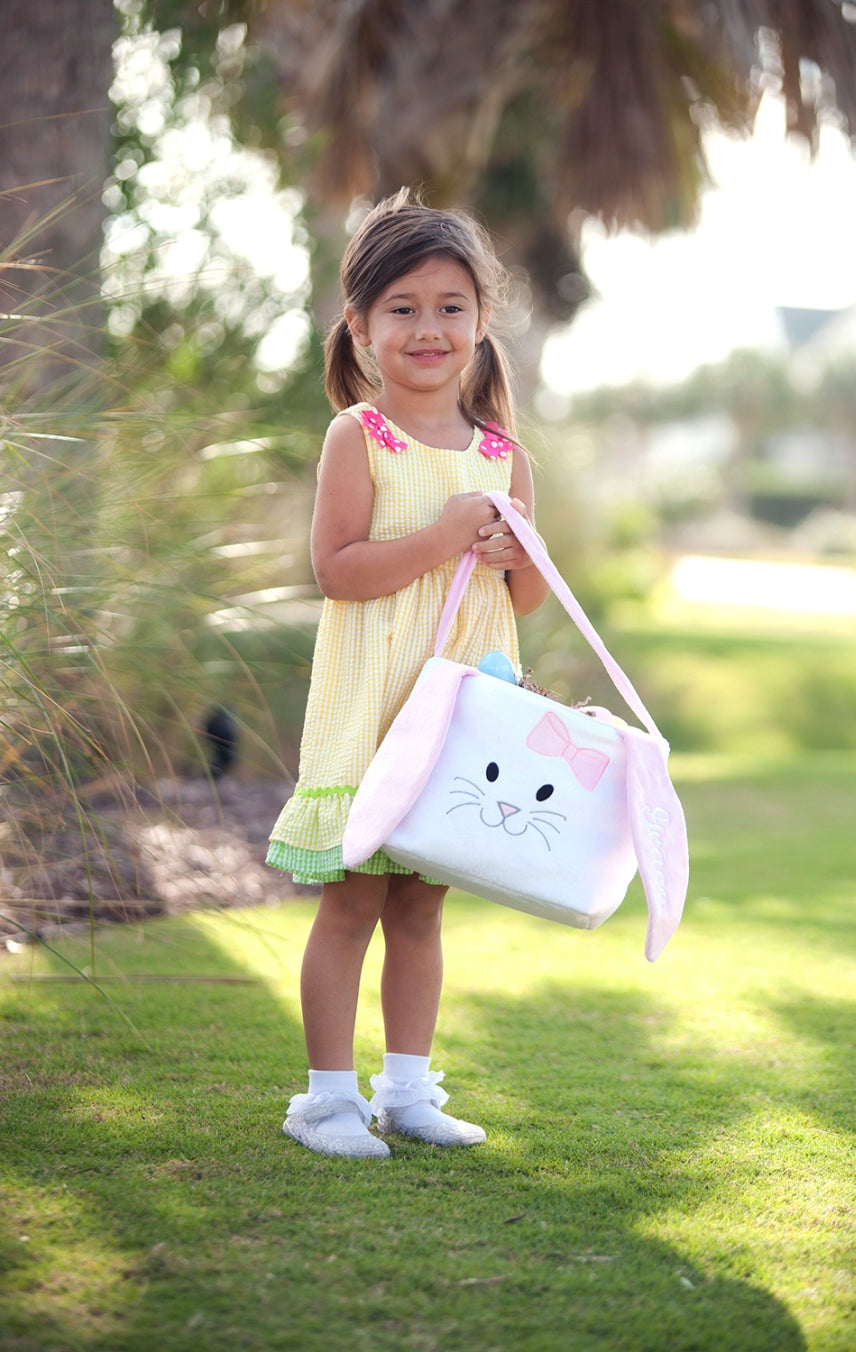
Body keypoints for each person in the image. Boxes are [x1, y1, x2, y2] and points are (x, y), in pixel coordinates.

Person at [266, 188, 549, 1158]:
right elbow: (337, 571)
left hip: (461, 716)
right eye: (403, 308)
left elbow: (523, 600)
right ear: (359, 325)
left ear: (481, 320)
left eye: (450, 306)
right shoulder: (359, 436)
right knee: (352, 901)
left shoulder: (505, 457)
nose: (429, 328)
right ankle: (326, 1100)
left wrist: (518, 555)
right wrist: (443, 535)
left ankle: (408, 1090)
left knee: (422, 906)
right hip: (373, 706)